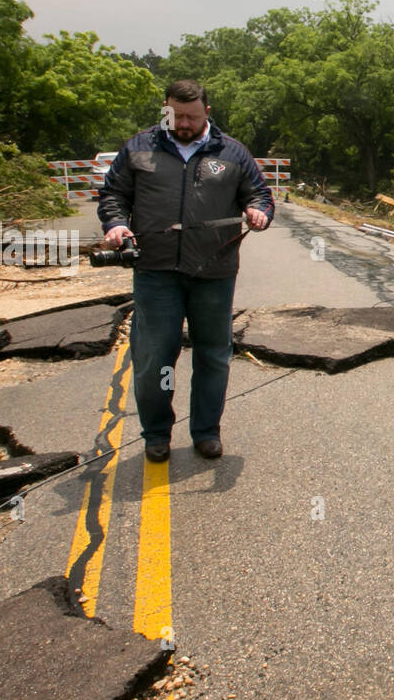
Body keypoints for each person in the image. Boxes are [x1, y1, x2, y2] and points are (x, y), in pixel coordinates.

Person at [98, 79, 274, 463]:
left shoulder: (232, 152)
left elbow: (259, 194)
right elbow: (113, 194)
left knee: (213, 355)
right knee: (155, 357)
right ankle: (157, 434)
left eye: (192, 117)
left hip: (214, 271)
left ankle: (206, 432)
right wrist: (114, 224)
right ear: (165, 108)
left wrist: (259, 212)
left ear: (207, 112)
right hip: (155, 270)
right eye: (176, 116)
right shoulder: (139, 148)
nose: (183, 124)